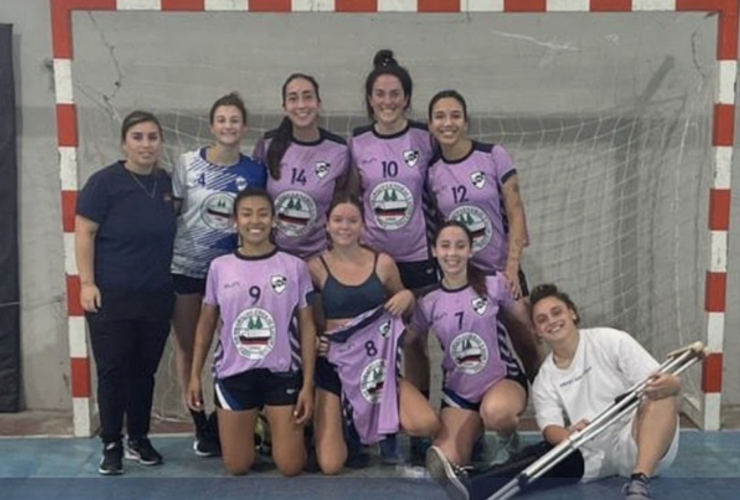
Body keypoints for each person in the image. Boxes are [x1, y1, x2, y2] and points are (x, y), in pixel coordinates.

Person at [426, 283, 681, 500]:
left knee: (660, 397)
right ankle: (473, 485)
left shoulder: (612, 341)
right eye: (542, 320)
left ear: (572, 314)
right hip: (593, 449)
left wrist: (671, 385)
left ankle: (639, 483)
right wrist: (568, 435)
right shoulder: (545, 378)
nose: (551, 322)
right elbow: (550, 428)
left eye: (556, 312)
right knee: (541, 455)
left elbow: (667, 383)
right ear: (537, 331)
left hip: (639, 441)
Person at [187, 188, 316, 476]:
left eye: (262, 214)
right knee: (237, 466)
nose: (254, 221)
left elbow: (307, 326)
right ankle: (257, 425)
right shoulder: (220, 267)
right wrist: (195, 375)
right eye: (246, 214)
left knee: (291, 466)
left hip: (281, 373)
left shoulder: (294, 267)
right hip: (234, 374)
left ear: (274, 220)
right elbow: (206, 323)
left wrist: (308, 383)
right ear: (235, 221)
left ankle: (275, 429)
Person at [307, 194, 440, 473]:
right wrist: (315, 342)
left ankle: (384, 429)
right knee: (331, 465)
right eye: (338, 220)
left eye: (352, 220)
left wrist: (407, 297)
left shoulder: (383, 263)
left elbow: (403, 300)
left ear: (363, 226)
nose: (345, 226)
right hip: (334, 366)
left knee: (425, 423)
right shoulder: (315, 266)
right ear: (327, 226)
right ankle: (352, 430)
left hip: (376, 367)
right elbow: (308, 319)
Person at [75, 111, 176, 475]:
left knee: (144, 372)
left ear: (160, 142)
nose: (146, 144)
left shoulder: (166, 183)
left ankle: (139, 437)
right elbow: (84, 233)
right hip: (111, 295)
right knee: (114, 370)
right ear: (124, 142)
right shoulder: (104, 183)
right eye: (138, 137)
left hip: (156, 294)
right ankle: (111, 442)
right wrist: (86, 283)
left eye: (152, 137)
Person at [349, 49, 438, 462]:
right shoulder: (357, 141)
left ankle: (421, 427)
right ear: (370, 99)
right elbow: (352, 196)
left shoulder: (424, 138)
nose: (387, 101)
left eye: (395, 94)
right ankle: (382, 426)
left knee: (415, 342)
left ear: (406, 98)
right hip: (373, 261)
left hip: (418, 256)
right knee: (376, 346)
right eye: (379, 94)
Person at [170, 92, 267, 457]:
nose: (228, 126)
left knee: (232, 346)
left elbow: (257, 219)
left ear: (244, 127)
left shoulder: (254, 171)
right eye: (222, 120)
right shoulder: (187, 164)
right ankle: (200, 425)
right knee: (189, 347)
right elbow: (175, 214)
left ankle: (231, 417)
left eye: (235, 120)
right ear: (212, 126)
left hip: (233, 273)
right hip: (188, 268)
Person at [426, 89, 541, 381]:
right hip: (466, 278)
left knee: (527, 341)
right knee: (478, 353)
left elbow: (516, 211)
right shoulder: (432, 172)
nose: (447, 123)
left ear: (466, 122)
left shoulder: (493, 155)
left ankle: (549, 410)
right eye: (439, 116)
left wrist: (512, 268)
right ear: (430, 125)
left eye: (455, 116)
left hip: (503, 270)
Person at [411, 221, 528, 470]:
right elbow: (408, 340)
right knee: (449, 462)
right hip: (459, 392)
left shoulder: (494, 283)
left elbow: (523, 324)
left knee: (497, 412)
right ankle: (473, 435)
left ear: (470, 251)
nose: (452, 253)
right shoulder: (428, 301)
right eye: (445, 246)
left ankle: (509, 440)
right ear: (434, 250)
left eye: (460, 246)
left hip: (501, 381)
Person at [253, 73, 350, 259]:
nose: (301, 105)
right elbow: (256, 199)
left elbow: (344, 199)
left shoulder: (339, 149)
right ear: (284, 108)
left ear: (318, 103)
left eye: (308, 97)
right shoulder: (268, 144)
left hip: (320, 257)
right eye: (293, 98)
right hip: (273, 256)